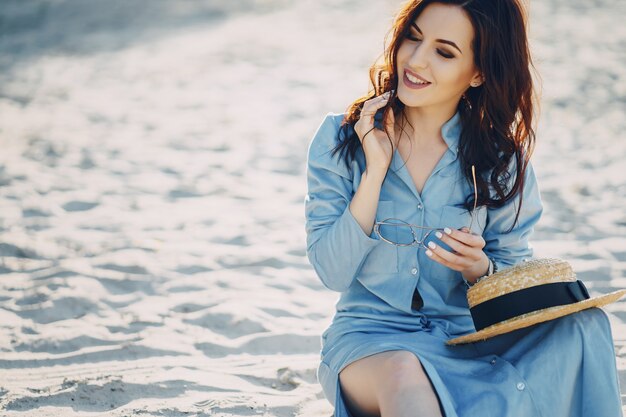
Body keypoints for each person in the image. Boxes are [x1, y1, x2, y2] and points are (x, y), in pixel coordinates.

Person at [304, 1, 624, 416]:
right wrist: (374, 172)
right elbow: (332, 272)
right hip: (371, 343)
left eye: (444, 51)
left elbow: (511, 276)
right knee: (405, 373)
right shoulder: (342, 138)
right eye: (413, 38)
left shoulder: (501, 162)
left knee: (581, 327)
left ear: (477, 73)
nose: (416, 61)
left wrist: (479, 269)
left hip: (467, 341)